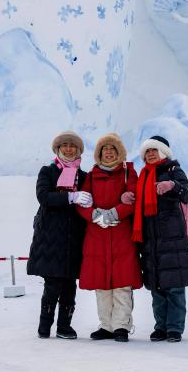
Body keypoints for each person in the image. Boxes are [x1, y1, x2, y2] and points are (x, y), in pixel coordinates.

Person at [75, 133, 141, 342]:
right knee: (101, 284)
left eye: (112, 149)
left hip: (121, 234)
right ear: (99, 153)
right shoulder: (92, 175)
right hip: (97, 236)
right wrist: (94, 215)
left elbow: (133, 197)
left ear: (119, 151)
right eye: (105, 149)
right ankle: (106, 326)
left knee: (122, 283)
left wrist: (115, 213)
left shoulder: (128, 172)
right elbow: (82, 202)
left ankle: (121, 326)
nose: (109, 152)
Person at [26, 131, 90, 339]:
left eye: (73, 146)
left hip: (74, 238)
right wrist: (71, 197)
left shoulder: (85, 176)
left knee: (70, 286)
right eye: (64, 146)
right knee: (52, 285)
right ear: (58, 149)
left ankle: (64, 326)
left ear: (78, 150)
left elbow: (91, 201)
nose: (69, 149)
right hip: (50, 239)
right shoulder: (48, 171)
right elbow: (43, 197)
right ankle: (44, 326)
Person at [132, 135, 188, 343]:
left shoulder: (173, 171)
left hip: (172, 239)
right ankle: (160, 326)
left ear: (163, 153)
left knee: (174, 287)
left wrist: (173, 186)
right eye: (147, 152)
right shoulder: (143, 176)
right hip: (150, 240)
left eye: (153, 151)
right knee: (157, 288)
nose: (150, 155)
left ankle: (174, 328)